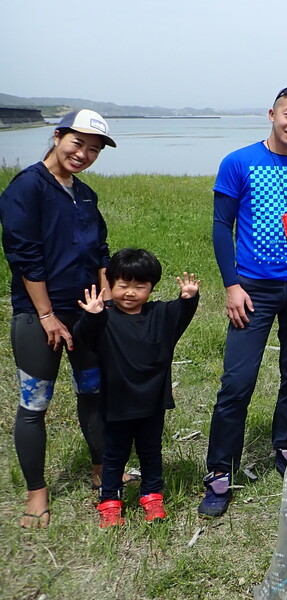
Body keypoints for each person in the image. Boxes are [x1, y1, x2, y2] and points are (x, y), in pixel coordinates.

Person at [201, 86, 287, 518]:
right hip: (253, 289)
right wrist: (231, 285)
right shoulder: (239, 162)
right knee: (237, 383)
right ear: (272, 114)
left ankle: (285, 446)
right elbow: (222, 227)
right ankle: (220, 471)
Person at [1, 109, 117, 529]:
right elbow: (24, 256)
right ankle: (36, 491)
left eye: (93, 149)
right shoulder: (27, 187)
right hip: (39, 314)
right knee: (35, 405)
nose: (83, 154)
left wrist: (104, 292)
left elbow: (98, 250)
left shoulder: (85, 194)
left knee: (93, 391)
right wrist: (47, 314)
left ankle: (104, 470)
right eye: (77, 143)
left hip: (86, 311)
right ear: (57, 136)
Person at [74, 249, 200, 527]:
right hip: (116, 403)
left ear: (151, 287)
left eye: (140, 286)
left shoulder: (161, 315)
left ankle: (152, 496)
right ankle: (109, 501)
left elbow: (181, 315)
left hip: (152, 403)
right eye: (123, 285)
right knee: (114, 454)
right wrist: (92, 316)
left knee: (151, 451)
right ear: (110, 285)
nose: (130, 292)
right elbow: (85, 337)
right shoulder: (104, 318)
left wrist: (189, 299)